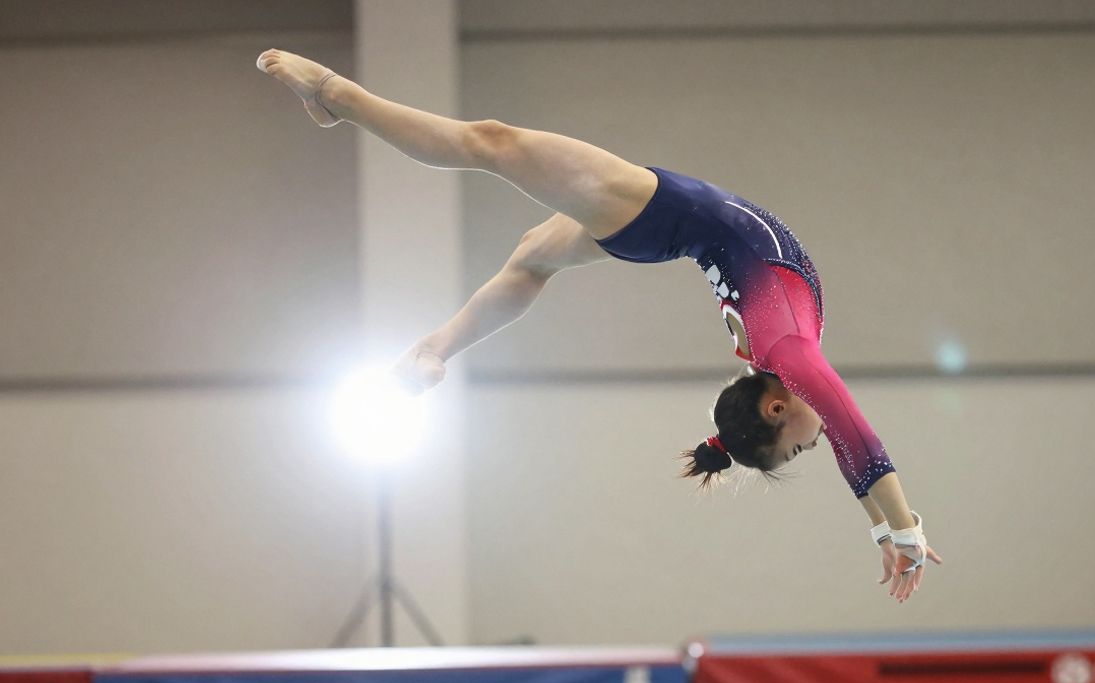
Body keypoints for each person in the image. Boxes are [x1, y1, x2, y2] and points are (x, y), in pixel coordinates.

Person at [256, 49, 942, 603]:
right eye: (797, 453)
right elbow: (856, 439)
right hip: (661, 223)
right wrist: (891, 527)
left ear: (774, 406)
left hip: (656, 212)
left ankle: (336, 96)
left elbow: (856, 438)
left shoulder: (789, 357)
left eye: (793, 451)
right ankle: (434, 349)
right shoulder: (786, 355)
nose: (812, 444)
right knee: (528, 256)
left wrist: (898, 528)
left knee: (491, 144)